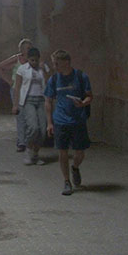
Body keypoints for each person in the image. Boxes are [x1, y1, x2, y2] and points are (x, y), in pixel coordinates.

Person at [45, 49, 93, 195]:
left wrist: (83, 103)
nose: (54, 67)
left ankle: (75, 167)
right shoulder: (54, 80)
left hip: (78, 120)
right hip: (60, 120)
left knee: (80, 152)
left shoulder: (81, 76)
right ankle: (66, 181)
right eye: (54, 63)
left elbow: (89, 96)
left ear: (66, 62)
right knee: (63, 151)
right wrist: (50, 122)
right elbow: (48, 101)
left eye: (57, 63)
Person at [0, 38, 38, 151]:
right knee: (20, 115)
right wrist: (9, 81)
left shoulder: (34, 59)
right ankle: (21, 142)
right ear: (22, 49)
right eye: (27, 48)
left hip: (30, 90)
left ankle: (30, 140)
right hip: (17, 90)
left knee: (31, 116)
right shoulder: (17, 59)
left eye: (30, 47)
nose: (29, 50)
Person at [11, 47, 50, 165]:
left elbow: (49, 83)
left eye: (36, 60)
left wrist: (44, 70)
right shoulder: (22, 69)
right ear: (28, 59)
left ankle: (35, 154)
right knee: (33, 127)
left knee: (42, 129)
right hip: (28, 100)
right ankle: (28, 150)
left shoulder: (43, 68)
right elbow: (17, 87)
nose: (34, 62)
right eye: (32, 60)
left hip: (41, 100)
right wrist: (15, 105)